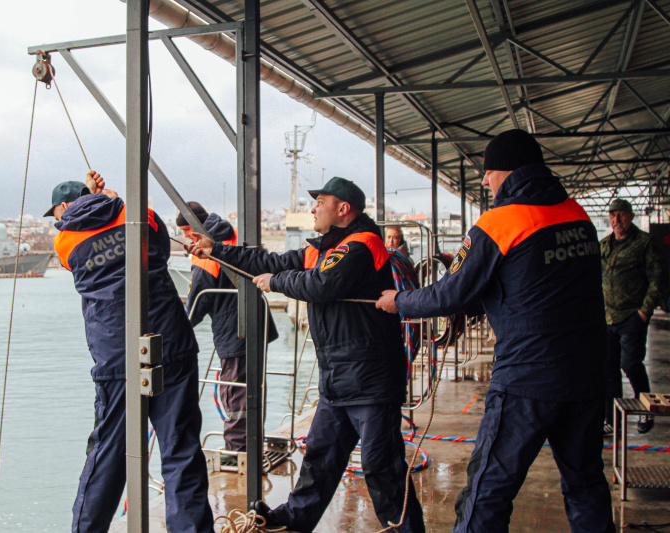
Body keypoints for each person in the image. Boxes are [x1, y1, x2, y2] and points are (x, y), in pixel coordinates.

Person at [376, 129, 614, 533]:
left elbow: (451, 293)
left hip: (528, 379)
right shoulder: (578, 215)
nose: (485, 181)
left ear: (508, 171)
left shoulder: (501, 221)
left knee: (488, 491)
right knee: (585, 483)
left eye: (488, 172)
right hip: (588, 375)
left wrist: (398, 302)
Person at [186, 177, 425, 533]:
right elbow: (268, 259)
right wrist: (217, 249)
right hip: (337, 379)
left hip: (370, 380)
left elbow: (321, 285)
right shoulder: (322, 248)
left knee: (382, 467)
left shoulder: (363, 243)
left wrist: (275, 282)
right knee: (320, 460)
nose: (312, 207)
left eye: (320, 201)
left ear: (343, 209)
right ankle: (292, 523)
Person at [47, 171, 214, 533]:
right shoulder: (140, 213)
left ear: (63, 207)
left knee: (108, 454)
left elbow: (80, 259)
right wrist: (113, 199)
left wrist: (97, 200)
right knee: (181, 449)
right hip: (171, 338)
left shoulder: (64, 242)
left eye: (56, 212)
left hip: (116, 352)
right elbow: (158, 247)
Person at [177, 202, 278, 462]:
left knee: (235, 392)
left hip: (235, 331)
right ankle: (250, 445)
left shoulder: (207, 247)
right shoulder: (231, 234)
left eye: (188, 230)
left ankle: (237, 453)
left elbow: (200, 296)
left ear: (197, 226)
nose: (188, 237)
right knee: (251, 389)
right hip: (253, 324)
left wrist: (180, 327)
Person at [602, 198, 667, 435]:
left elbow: (657, 279)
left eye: (621, 214)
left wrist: (644, 311)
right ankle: (611, 419)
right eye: (613, 214)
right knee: (609, 370)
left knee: (630, 364)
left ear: (630, 216)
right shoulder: (604, 245)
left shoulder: (644, 243)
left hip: (632, 317)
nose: (617, 219)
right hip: (608, 318)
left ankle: (644, 411)